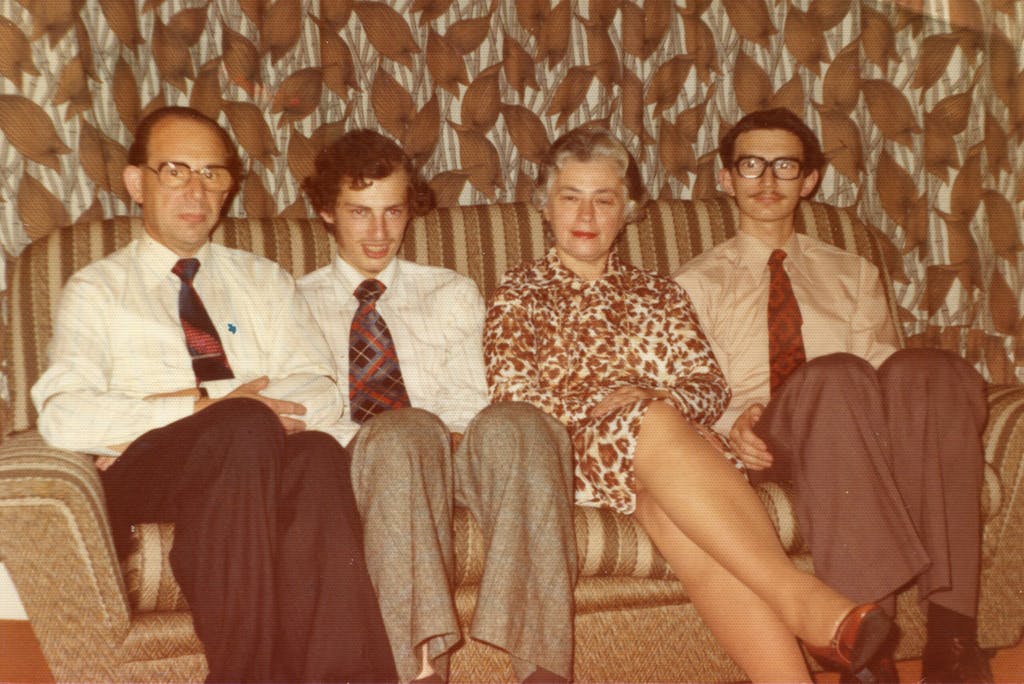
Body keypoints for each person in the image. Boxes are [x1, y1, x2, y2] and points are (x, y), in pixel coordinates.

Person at [483, 125, 893, 683]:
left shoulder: (660, 292)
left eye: (605, 199)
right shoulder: (518, 292)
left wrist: (659, 400)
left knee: (670, 516)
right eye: (570, 197)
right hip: (571, 451)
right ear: (545, 207)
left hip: (665, 458)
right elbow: (514, 396)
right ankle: (807, 603)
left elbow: (707, 383)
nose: (587, 214)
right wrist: (631, 408)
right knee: (652, 420)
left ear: (626, 211)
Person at [31, 106, 396, 683]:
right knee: (243, 426)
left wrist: (226, 409)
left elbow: (320, 392)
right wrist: (199, 410)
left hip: (252, 455)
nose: (197, 189)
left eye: (213, 173)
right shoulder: (96, 289)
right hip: (147, 469)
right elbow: (61, 415)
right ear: (136, 183)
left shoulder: (262, 278)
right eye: (175, 170)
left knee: (319, 454)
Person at [673, 107, 992, 684]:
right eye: (751, 165)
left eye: (785, 166)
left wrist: (916, 389)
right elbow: (686, 392)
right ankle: (865, 656)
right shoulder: (693, 282)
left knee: (931, 370)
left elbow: (885, 372)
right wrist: (728, 427)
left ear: (810, 179)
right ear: (725, 178)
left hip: (847, 429)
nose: (768, 182)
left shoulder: (854, 271)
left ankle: (952, 637)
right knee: (835, 374)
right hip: (760, 442)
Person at [299, 129, 577, 684]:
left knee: (521, 423)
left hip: (454, 448)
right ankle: (421, 672)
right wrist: (413, 435)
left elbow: (477, 397)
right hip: (372, 462)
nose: (379, 232)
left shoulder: (449, 290)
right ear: (327, 212)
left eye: (393, 211)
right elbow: (310, 413)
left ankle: (544, 673)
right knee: (404, 436)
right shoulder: (293, 301)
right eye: (360, 212)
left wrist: (444, 439)